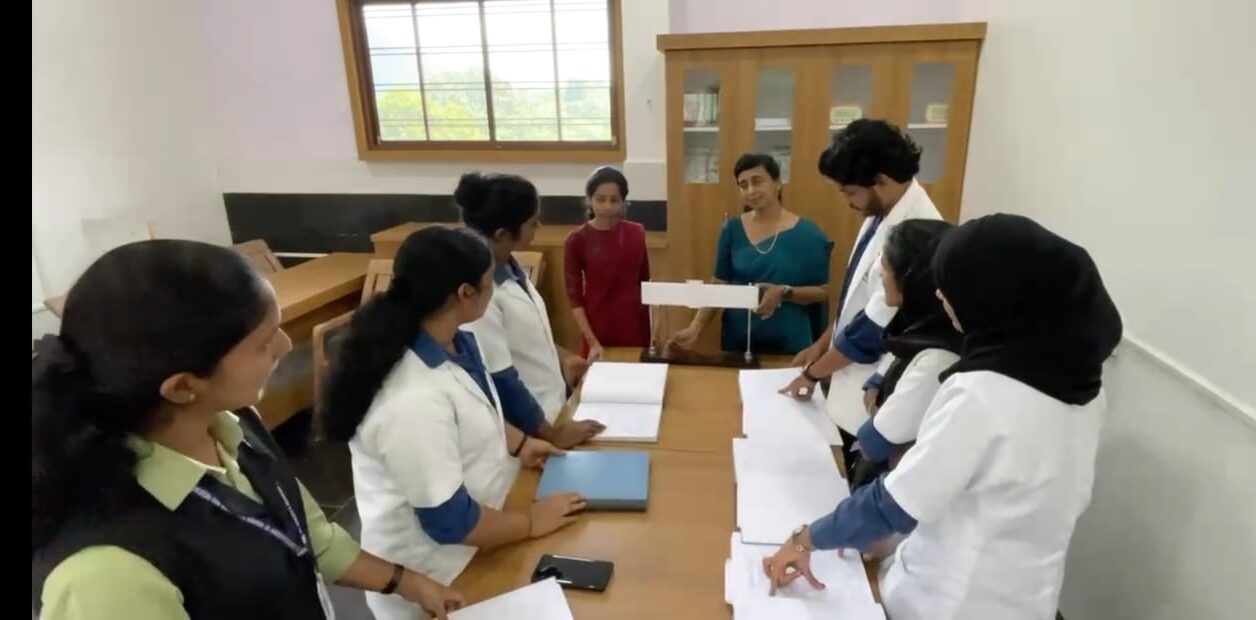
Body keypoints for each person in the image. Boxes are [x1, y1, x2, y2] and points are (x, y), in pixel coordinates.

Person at [32, 240, 463, 620]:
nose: (286, 345)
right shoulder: (105, 575)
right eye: (264, 341)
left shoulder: (233, 422)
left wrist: (407, 582)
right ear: (183, 387)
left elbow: (307, 534)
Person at [762, 214, 1124, 620]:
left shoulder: (980, 393)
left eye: (953, 286)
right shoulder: (1084, 389)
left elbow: (891, 503)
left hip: (951, 599)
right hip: (1029, 598)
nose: (939, 293)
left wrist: (804, 539)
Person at [320, 227, 586, 620]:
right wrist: (531, 523)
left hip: (484, 536)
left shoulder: (452, 342)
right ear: (465, 293)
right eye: (489, 281)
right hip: (439, 574)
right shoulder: (411, 398)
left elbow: (474, 410)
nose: (494, 289)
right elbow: (449, 522)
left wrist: (518, 443)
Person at [779, 120, 943, 421]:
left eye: (850, 192)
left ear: (880, 180)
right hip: (843, 374)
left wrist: (813, 374)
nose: (848, 202)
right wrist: (822, 345)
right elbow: (856, 300)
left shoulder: (918, 232)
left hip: (873, 387)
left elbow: (872, 328)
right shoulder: (883, 210)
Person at [457, 172, 603, 447]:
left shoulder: (510, 268)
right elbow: (500, 378)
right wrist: (551, 434)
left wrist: (563, 357)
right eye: (533, 223)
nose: (539, 226)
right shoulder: (480, 296)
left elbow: (523, 336)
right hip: (529, 431)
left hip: (552, 410)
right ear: (502, 234)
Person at [667, 153, 833, 356]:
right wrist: (695, 327)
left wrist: (785, 292)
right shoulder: (732, 230)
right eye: (743, 185)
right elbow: (719, 283)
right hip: (738, 339)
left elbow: (823, 291)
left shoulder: (808, 234)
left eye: (757, 181)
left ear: (777, 183)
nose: (750, 191)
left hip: (790, 343)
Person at [847, 219, 962, 490]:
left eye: (886, 266)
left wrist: (877, 411)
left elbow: (873, 442)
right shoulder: (917, 330)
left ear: (914, 280)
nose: (880, 274)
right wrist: (878, 393)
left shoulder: (939, 358)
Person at [563, 166, 651, 361]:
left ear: (623, 202)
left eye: (614, 200)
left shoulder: (637, 232)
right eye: (601, 199)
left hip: (634, 324)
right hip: (596, 325)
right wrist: (592, 341)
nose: (608, 206)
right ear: (589, 200)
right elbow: (575, 298)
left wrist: (654, 329)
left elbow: (645, 283)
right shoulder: (576, 239)